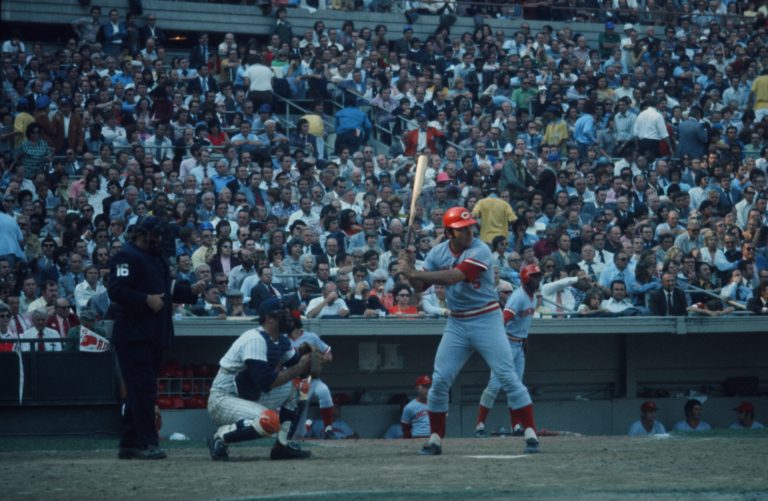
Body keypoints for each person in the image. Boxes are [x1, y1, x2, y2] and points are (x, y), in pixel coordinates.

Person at [397, 206, 539, 456]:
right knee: (440, 380)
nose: (469, 232)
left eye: (470, 227)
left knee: (507, 375)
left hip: (486, 318)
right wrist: (409, 270)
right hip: (458, 322)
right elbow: (421, 286)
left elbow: (454, 276)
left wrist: (414, 271)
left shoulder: (481, 249)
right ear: (450, 232)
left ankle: (530, 432)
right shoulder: (438, 252)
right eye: (462, 230)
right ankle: (435, 439)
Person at [109, 216, 204, 460]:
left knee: (140, 390)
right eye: (156, 235)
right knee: (144, 390)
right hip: (133, 335)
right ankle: (146, 442)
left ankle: (129, 443)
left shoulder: (156, 256)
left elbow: (167, 288)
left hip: (154, 333)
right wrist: (144, 299)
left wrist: (189, 292)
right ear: (142, 234)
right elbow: (117, 290)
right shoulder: (126, 256)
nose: (160, 240)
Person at [206, 298, 316, 461]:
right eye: (283, 313)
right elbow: (267, 381)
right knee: (269, 422)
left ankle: (282, 446)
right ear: (269, 318)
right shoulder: (254, 339)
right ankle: (220, 437)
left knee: (298, 389)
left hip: (249, 395)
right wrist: (299, 367)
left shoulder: (280, 340)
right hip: (224, 398)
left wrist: (311, 359)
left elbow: (299, 368)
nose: (288, 317)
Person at [474, 264, 541, 438]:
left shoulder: (533, 297)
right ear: (525, 278)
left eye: (539, 276)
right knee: (495, 385)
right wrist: (497, 344)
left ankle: (515, 425)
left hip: (518, 344)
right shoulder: (518, 297)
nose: (538, 279)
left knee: (516, 386)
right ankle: (479, 425)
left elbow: (524, 323)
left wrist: (525, 340)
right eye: (534, 276)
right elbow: (503, 320)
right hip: (507, 343)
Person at [286, 312, 336, 440]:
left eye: (289, 321)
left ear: (295, 323)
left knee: (324, 392)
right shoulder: (282, 339)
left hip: (311, 379)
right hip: (291, 381)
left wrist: (320, 359)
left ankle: (328, 429)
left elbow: (328, 354)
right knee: (299, 433)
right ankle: (306, 426)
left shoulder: (311, 337)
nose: (286, 323)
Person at [401, 375, 431, 439]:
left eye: (429, 386)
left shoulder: (436, 404)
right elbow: (406, 429)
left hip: (433, 438)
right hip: (417, 438)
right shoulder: (409, 407)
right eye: (425, 386)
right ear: (417, 388)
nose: (428, 389)